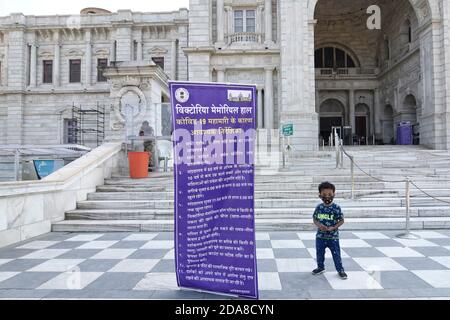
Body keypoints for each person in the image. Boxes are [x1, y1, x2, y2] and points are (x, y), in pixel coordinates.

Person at [312, 181, 348, 280]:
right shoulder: (319, 208)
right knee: (319, 253)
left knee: (336, 254)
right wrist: (319, 225)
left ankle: (340, 270)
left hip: (333, 237)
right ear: (320, 195)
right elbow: (315, 219)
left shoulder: (336, 208)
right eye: (324, 195)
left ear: (334, 195)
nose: (327, 197)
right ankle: (320, 267)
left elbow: (341, 220)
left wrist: (334, 227)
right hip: (320, 236)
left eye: (329, 195)